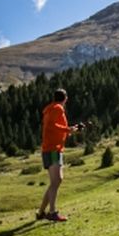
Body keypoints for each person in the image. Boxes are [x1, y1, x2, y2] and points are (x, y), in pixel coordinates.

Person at [37, 88, 82, 222]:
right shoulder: (58, 109)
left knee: (55, 182)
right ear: (65, 98)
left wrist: (70, 130)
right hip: (53, 149)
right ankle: (52, 212)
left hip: (51, 148)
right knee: (56, 181)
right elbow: (53, 125)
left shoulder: (50, 108)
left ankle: (41, 212)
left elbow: (55, 127)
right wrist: (68, 130)